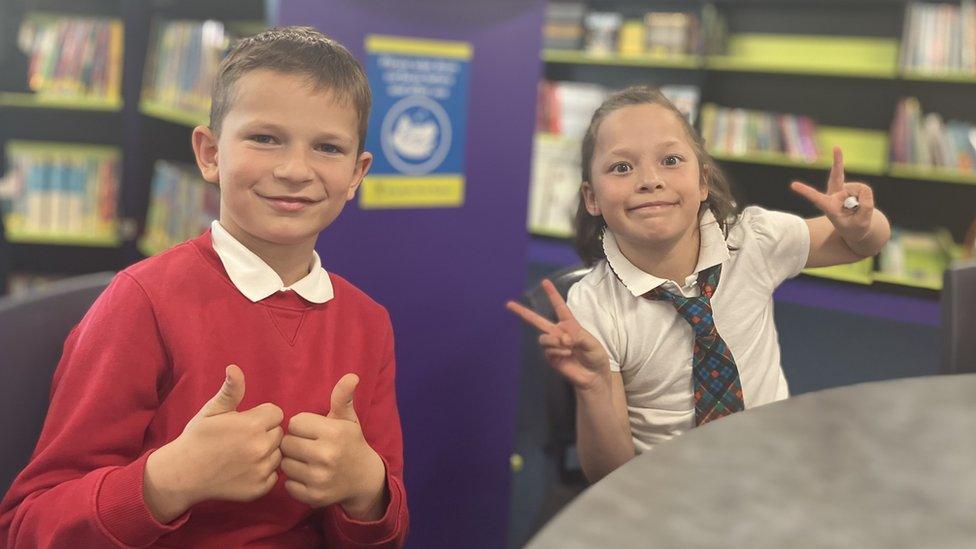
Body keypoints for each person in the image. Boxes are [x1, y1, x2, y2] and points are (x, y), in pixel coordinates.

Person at [0, 27, 408, 547]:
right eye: (264, 138)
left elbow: (387, 532)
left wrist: (364, 488)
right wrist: (168, 481)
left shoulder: (368, 323)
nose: (294, 170)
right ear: (210, 153)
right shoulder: (141, 303)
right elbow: (29, 528)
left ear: (356, 174)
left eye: (328, 147)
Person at [508, 85, 891, 483]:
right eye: (622, 168)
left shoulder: (753, 240)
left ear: (703, 181)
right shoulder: (594, 305)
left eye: (671, 160)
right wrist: (594, 388)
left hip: (775, 464)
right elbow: (609, 474)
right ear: (591, 197)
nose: (650, 180)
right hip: (672, 490)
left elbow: (856, 246)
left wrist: (863, 225)